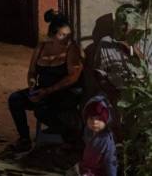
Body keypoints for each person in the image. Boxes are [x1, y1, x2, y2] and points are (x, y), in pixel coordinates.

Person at [8, 10, 84, 152]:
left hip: (61, 92)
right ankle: (24, 138)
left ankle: (69, 136)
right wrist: (32, 86)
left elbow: (73, 76)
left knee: (42, 110)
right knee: (15, 99)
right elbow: (32, 71)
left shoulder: (71, 49)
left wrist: (48, 91)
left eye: (68, 35)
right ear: (52, 35)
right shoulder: (41, 47)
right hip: (42, 90)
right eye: (62, 35)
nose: (66, 39)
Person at [79, 95, 117, 176]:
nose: (94, 122)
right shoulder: (88, 132)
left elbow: (110, 161)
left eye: (99, 119)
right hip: (87, 168)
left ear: (106, 121)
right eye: (91, 118)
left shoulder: (106, 139)